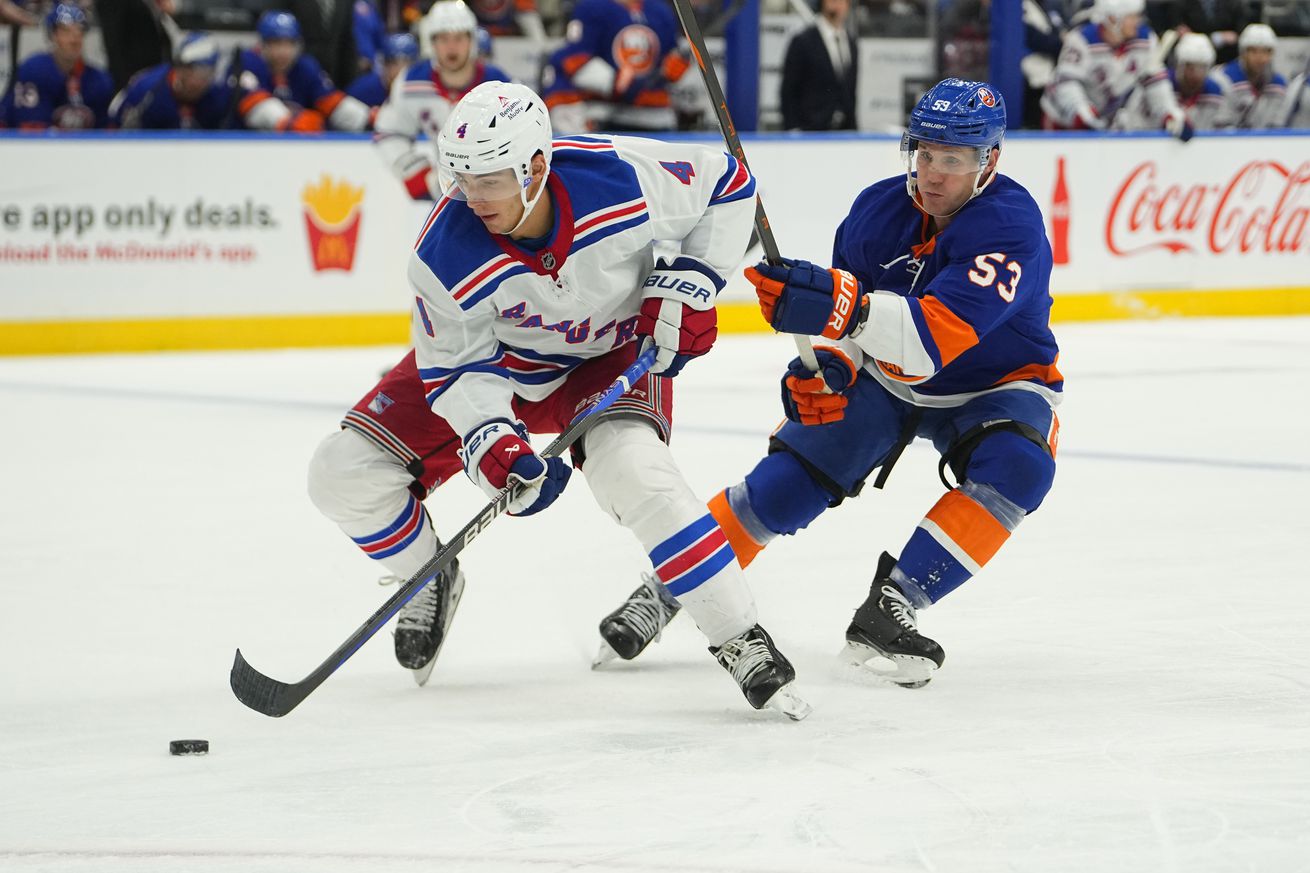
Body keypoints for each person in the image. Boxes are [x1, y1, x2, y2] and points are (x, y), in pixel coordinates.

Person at [306, 80, 810, 719]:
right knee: (340, 473)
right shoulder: (443, 253)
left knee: (639, 476)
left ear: (536, 166)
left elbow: (728, 184)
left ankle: (741, 638)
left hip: (612, 354)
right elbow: (456, 370)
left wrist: (692, 284)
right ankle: (425, 574)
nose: (470, 196)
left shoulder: (620, 176)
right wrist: (494, 444)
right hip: (502, 368)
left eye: (488, 179)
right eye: (459, 177)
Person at [595, 78, 1061, 690]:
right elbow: (850, 332)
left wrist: (841, 308)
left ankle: (896, 602)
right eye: (924, 154)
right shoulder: (876, 210)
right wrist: (829, 366)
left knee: (1021, 467)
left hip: (996, 384)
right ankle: (670, 587)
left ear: (989, 161)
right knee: (786, 485)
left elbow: (931, 340)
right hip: (889, 379)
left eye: (953, 160)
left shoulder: (1011, 226)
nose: (933, 174)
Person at [372, 0, 512, 200]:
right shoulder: (412, 83)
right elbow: (388, 131)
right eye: (443, 39)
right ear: (431, 43)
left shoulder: (500, 85)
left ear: (472, 41)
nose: (451, 47)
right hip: (447, 195)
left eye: (459, 38)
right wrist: (414, 172)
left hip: (497, 194)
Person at [540, 0, 697, 133]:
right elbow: (574, 58)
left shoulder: (661, 11)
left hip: (653, 113)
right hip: (604, 112)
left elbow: (672, 55)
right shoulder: (592, 7)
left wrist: (674, 66)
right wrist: (614, 82)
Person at [1041, 0, 1190, 140]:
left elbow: (1155, 82)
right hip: (1064, 120)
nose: (1137, 22)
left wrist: (1170, 113)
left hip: (1106, 117)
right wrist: (1081, 112)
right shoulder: (1081, 40)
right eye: (1131, 17)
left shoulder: (1145, 39)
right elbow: (1066, 82)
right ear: (1112, 19)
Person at [110, 32, 293, 131]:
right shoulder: (147, 89)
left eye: (207, 74)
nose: (200, 82)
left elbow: (255, 100)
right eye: (194, 72)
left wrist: (286, 121)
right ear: (179, 69)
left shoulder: (220, 85)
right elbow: (113, 124)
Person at [234, 10, 371, 132]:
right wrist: (289, 122)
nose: (283, 51)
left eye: (289, 43)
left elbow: (331, 101)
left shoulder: (305, 66)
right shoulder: (247, 62)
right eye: (276, 43)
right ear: (263, 45)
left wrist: (367, 118)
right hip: (247, 146)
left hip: (295, 147)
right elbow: (254, 105)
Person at [3, 4, 114, 130]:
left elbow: (103, 134)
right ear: (53, 36)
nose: (74, 39)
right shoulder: (34, 71)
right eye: (66, 31)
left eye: (79, 31)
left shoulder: (99, 80)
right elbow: (31, 131)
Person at [1114, 30, 1222, 133]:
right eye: (1191, 67)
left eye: (1202, 68)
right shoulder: (1157, 84)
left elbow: (1206, 132)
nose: (1196, 75)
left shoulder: (1213, 92)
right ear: (1180, 66)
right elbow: (1134, 120)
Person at [779, 0, 858, 131]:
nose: (837, 4)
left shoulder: (851, 43)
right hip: (810, 130)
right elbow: (788, 90)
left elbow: (851, 92)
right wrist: (793, 129)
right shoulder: (802, 42)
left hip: (844, 133)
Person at [1212, 23, 1288, 129]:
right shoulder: (1223, 79)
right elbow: (1220, 126)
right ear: (1243, 52)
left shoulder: (1279, 84)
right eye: (1253, 51)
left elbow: (1278, 125)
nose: (1260, 58)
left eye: (1266, 51)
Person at [346, 32, 419, 108]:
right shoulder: (360, 91)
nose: (404, 71)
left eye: (410, 65)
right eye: (395, 64)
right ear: (386, 64)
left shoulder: (418, 90)